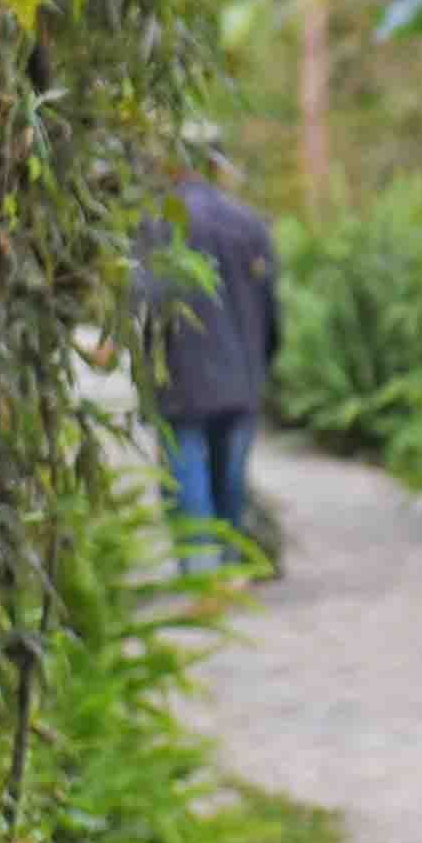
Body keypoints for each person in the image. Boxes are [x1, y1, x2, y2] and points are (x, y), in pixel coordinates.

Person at [128, 150, 281, 571]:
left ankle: (200, 572)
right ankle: (231, 564)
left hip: (182, 377)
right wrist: (261, 366)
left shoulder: (160, 224)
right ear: (214, 167)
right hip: (242, 377)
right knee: (230, 478)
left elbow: (142, 294)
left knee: (186, 476)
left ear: (169, 168)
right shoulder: (249, 223)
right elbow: (272, 308)